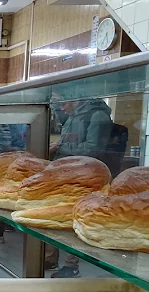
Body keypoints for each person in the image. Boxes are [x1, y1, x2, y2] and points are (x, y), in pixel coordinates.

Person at [47, 98, 114, 278]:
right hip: (68, 175)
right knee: (57, 214)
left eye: (64, 103)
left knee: (75, 218)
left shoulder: (98, 116)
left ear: (77, 99)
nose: (62, 108)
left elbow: (94, 149)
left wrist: (60, 147)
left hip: (87, 178)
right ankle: (50, 257)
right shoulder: (73, 117)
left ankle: (71, 265)